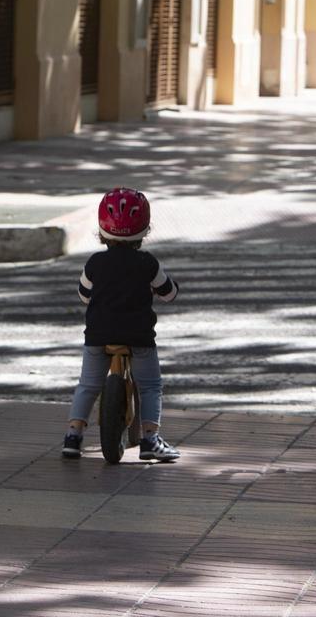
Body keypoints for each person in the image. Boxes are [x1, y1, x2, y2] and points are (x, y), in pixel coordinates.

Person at [62, 187, 182, 462]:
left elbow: (83, 294)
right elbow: (169, 293)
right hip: (138, 336)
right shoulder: (148, 263)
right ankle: (150, 439)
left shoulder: (95, 262)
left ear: (103, 230)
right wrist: (169, 288)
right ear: (145, 229)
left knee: (88, 385)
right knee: (150, 385)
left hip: (98, 336)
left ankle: (73, 435)